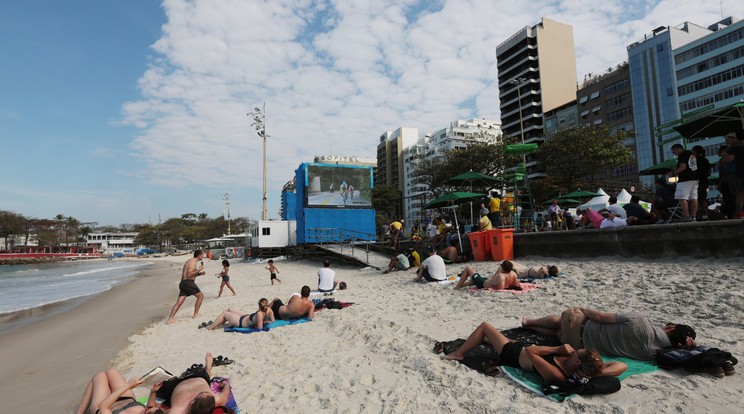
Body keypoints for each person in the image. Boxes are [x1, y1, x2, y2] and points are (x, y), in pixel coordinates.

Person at [442, 322, 617, 384]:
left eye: (578, 353)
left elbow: (531, 352)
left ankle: (458, 353)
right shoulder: (576, 365)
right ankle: (488, 339)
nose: (574, 351)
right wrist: (597, 371)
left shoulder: (557, 373)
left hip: (512, 354)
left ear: (578, 362)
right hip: (520, 347)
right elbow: (621, 366)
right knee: (493, 337)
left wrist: (557, 349)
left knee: (485, 327)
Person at [522, 307, 697, 361]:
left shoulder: (639, 320)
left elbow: (600, 317)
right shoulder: (654, 353)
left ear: (671, 328)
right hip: (579, 345)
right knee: (559, 333)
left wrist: (582, 308)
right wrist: (687, 349)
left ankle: (529, 323)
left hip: (582, 327)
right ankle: (534, 328)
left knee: (566, 319)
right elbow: (680, 357)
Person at [155, 352, 231, 414]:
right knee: (207, 374)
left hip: (175, 385)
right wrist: (225, 385)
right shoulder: (214, 400)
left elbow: (156, 410)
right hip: (199, 377)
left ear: (192, 401)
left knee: (160, 387)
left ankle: (174, 378)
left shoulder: (177, 411)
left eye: (200, 393)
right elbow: (225, 392)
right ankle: (208, 368)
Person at [76, 368, 163, 414]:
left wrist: (128, 385)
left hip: (103, 405)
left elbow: (103, 406)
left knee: (100, 376)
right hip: (126, 398)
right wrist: (153, 392)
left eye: (146, 411)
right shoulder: (148, 411)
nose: (147, 407)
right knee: (111, 371)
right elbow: (150, 408)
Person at [166, 250, 207, 324]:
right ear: (199, 255)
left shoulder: (190, 261)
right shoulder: (192, 262)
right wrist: (199, 269)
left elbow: (189, 274)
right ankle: (195, 314)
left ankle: (170, 319)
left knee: (179, 302)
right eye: (203, 254)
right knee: (201, 296)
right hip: (188, 283)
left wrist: (199, 274)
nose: (204, 256)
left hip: (183, 283)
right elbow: (189, 275)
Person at [666, 143, 699, 221]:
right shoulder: (692, 154)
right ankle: (693, 216)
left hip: (685, 179)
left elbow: (683, 167)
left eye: (674, 152)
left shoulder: (682, 154)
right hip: (694, 178)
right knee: (693, 198)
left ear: (678, 149)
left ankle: (687, 216)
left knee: (681, 197)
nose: (674, 154)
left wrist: (673, 173)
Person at [206, 298, 275, 330]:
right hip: (247, 316)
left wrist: (261, 322)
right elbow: (273, 321)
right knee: (230, 309)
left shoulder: (260, 314)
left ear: (259, 306)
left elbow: (259, 328)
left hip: (240, 322)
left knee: (224, 313)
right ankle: (220, 323)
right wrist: (265, 321)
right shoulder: (270, 310)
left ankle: (210, 328)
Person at [453, 261, 519, 290]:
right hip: (487, 280)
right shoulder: (514, 274)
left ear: (503, 269)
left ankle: (457, 287)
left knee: (468, 268)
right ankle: (462, 284)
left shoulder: (501, 276)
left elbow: (500, 289)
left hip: (481, 283)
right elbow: (516, 285)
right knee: (473, 280)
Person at [723, 130, 744, 217]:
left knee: (740, 192)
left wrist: (733, 144)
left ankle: (739, 210)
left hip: (740, 172)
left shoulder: (736, 147)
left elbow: (725, 153)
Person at [692, 145, 711, 220]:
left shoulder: (693, 160)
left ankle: (694, 215)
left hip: (695, 181)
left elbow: (692, 171)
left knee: (694, 199)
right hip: (704, 181)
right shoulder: (705, 160)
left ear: (695, 151)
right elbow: (709, 172)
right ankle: (705, 215)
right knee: (703, 199)